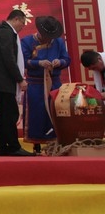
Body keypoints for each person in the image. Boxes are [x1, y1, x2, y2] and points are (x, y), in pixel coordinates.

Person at [0, 9, 35, 157]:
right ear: (16, 19)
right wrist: (20, 79)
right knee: (9, 114)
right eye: (22, 23)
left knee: (2, 114)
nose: (23, 27)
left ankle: (2, 147)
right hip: (4, 80)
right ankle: (13, 146)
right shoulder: (6, 33)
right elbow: (9, 59)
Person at [21, 15, 70, 154]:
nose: (49, 39)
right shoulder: (27, 41)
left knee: (55, 112)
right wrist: (39, 63)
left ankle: (56, 143)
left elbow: (66, 59)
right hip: (35, 84)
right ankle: (36, 144)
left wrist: (59, 62)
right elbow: (23, 61)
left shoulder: (58, 42)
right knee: (36, 114)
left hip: (54, 83)